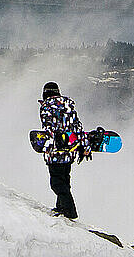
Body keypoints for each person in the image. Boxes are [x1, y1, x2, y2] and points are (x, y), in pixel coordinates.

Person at [39, 81, 92, 219]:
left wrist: (48, 147)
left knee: (57, 183)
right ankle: (61, 207)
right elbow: (78, 128)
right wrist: (85, 146)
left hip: (55, 152)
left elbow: (48, 130)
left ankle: (69, 211)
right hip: (70, 151)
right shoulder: (68, 107)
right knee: (64, 180)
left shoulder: (46, 107)